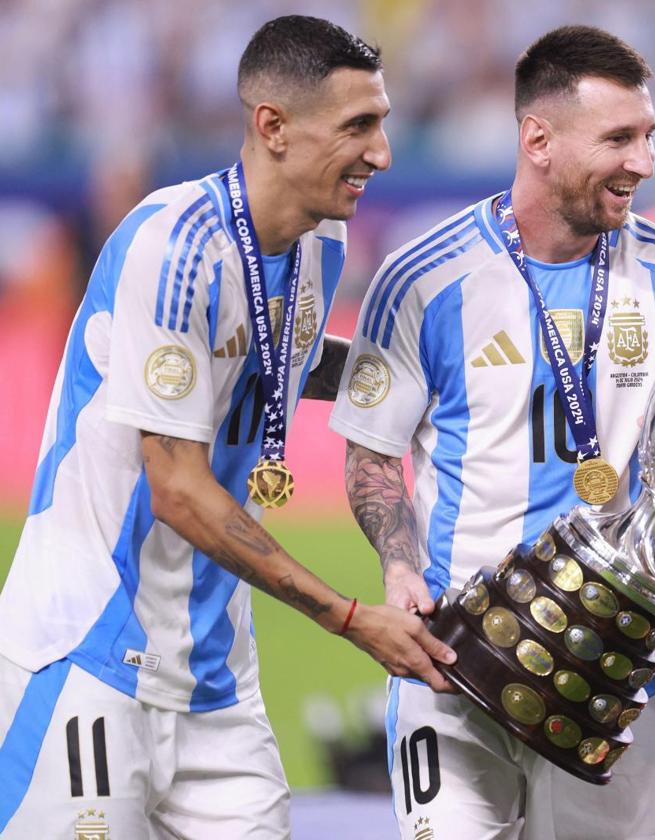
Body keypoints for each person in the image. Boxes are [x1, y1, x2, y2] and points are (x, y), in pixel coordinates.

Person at [0, 15, 411, 839]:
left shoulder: (320, 241)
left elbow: (274, 360)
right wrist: (350, 616)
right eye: (357, 127)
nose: (381, 153)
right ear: (273, 127)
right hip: (91, 655)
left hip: (215, 674)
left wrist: (415, 375)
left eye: (382, 124)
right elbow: (179, 491)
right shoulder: (174, 246)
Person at [331, 24, 655, 840]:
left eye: (648, 136)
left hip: (608, 672)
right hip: (452, 661)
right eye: (618, 138)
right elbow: (372, 452)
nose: (643, 162)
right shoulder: (424, 277)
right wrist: (400, 569)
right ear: (538, 139)